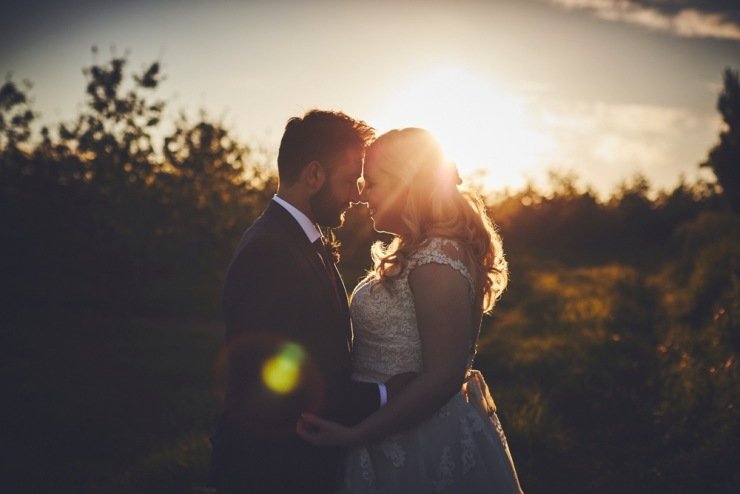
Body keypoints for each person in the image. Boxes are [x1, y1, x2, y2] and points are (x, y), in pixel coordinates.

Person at [297, 128, 524, 493]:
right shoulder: (414, 249)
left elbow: (443, 377)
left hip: (419, 442)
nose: (360, 193)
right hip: (385, 429)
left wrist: (357, 433)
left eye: (371, 183)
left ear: (407, 185)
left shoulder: (437, 260)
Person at [208, 110, 412, 493]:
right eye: (350, 180)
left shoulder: (294, 240)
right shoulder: (270, 252)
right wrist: (387, 394)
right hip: (270, 467)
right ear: (314, 175)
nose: (356, 195)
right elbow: (282, 379)